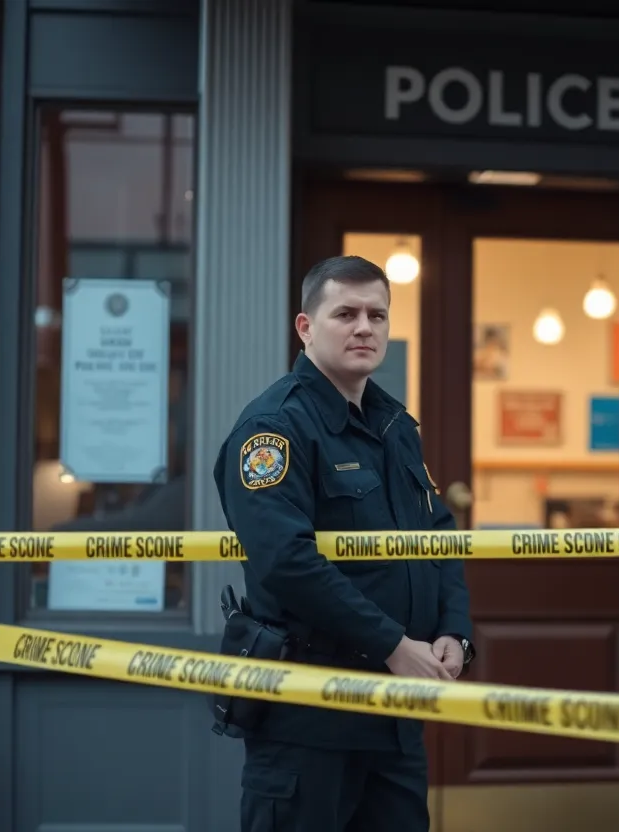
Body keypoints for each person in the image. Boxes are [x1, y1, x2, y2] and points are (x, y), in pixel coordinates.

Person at [213, 255, 475, 832]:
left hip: (393, 722)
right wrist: (394, 646)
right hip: (309, 719)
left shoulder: (393, 425)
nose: (364, 328)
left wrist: (454, 631)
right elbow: (286, 561)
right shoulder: (273, 429)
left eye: (377, 315)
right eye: (346, 314)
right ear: (306, 327)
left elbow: (437, 534)